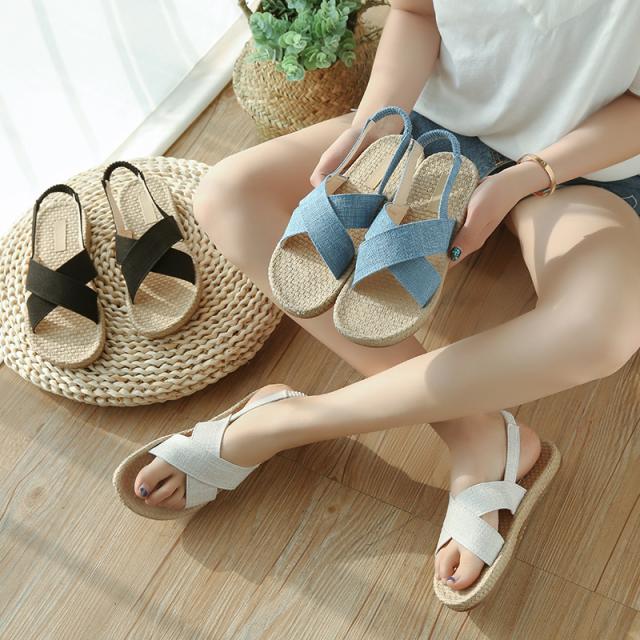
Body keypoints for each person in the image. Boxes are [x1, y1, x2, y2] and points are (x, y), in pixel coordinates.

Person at [132, 0, 640, 593]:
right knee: (228, 194)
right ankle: (472, 432)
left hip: (578, 169)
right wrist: (371, 128)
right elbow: (417, 13)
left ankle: (287, 424)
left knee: (601, 330)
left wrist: (527, 176)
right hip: (432, 131)